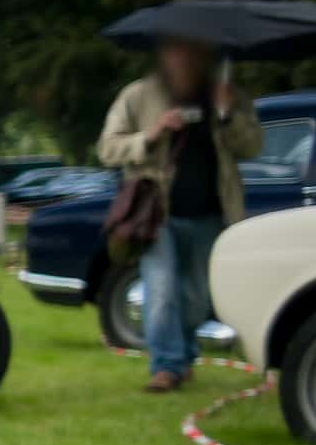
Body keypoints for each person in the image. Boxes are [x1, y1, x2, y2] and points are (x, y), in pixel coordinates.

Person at [96, 34, 261, 390]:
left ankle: (182, 355)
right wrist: (151, 135)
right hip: (156, 215)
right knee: (162, 290)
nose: (183, 59)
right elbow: (107, 148)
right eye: (176, 51)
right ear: (164, 55)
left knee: (199, 297)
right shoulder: (138, 95)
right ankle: (167, 367)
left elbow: (252, 146)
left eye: (192, 51)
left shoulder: (227, 94)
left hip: (213, 214)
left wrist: (227, 113)